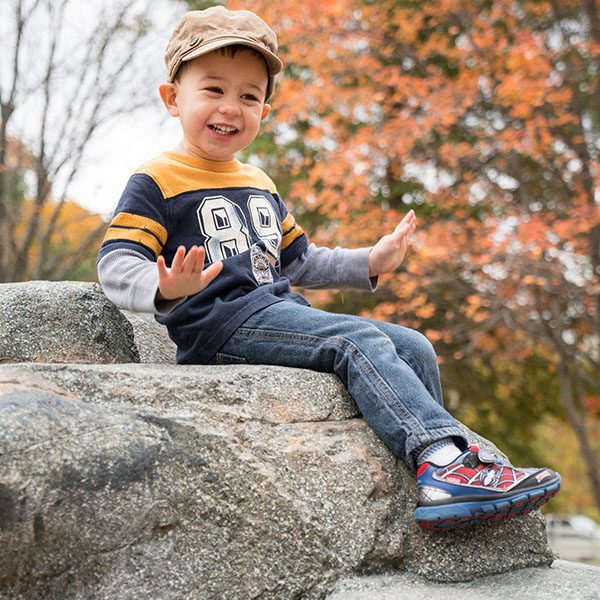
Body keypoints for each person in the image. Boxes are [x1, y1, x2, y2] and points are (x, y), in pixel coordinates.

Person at [97, 6, 561, 532]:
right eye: (213, 89)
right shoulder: (157, 178)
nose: (232, 107)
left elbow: (298, 260)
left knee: (414, 346)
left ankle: (444, 478)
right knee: (354, 340)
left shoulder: (259, 181)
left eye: (249, 95)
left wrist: (370, 261)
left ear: (264, 111)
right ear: (171, 98)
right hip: (218, 324)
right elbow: (116, 263)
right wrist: (161, 286)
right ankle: (444, 462)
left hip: (274, 312)